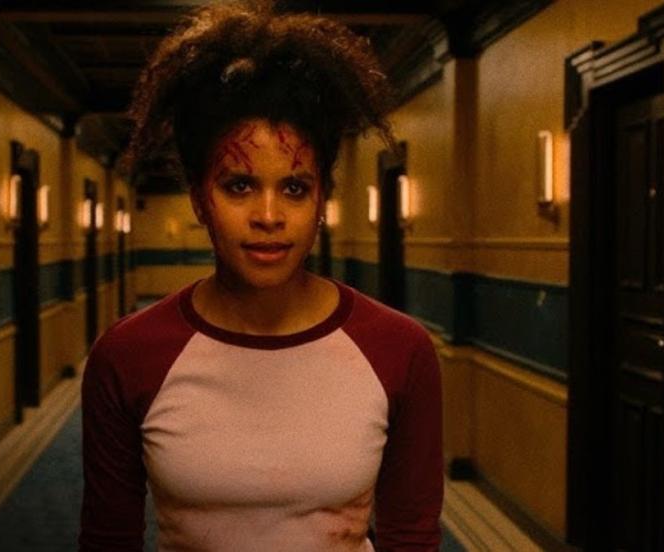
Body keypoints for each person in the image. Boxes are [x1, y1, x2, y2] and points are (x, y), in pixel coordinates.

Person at [79, 1, 443, 550]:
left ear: (321, 199)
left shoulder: (399, 349)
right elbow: (108, 540)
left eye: (294, 188)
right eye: (239, 186)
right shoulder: (128, 356)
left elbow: (412, 537)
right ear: (199, 198)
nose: (269, 216)